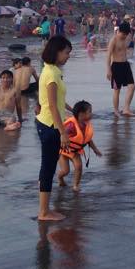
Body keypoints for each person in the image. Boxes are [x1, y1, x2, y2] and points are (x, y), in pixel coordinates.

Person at [36, 35, 74, 222]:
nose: (68, 56)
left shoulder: (52, 70)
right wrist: (63, 132)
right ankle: (44, 212)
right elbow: (52, 105)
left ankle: (44, 206)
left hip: (48, 123)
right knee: (48, 168)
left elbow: (56, 100)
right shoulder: (51, 74)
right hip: (50, 125)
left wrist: (70, 109)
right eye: (66, 52)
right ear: (56, 52)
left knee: (48, 167)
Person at [56, 100, 102, 191]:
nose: (92, 114)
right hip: (64, 150)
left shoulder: (86, 125)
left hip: (75, 151)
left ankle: (76, 185)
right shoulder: (71, 125)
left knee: (79, 167)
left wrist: (95, 149)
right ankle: (60, 178)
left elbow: (88, 139)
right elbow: (62, 134)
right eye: (89, 112)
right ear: (81, 114)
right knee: (65, 171)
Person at [106, 21, 135, 117]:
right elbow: (108, 55)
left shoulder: (127, 37)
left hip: (126, 65)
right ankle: (116, 110)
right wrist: (108, 70)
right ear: (119, 31)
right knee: (117, 89)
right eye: (123, 34)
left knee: (132, 87)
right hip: (116, 66)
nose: (124, 36)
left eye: (126, 34)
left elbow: (132, 36)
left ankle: (126, 109)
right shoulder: (114, 40)